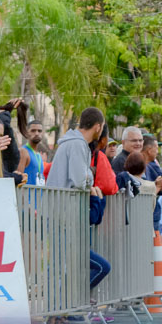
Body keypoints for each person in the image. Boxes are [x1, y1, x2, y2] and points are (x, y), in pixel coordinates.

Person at [45, 107, 110, 290]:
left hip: (61, 212)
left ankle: (61, 309)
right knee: (61, 264)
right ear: (97, 126)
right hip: (63, 214)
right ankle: (59, 308)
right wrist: (90, 178)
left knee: (61, 263)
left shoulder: (72, 143)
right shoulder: (77, 144)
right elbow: (80, 180)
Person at [89, 123, 119, 197]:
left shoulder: (80, 150)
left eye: (114, 145)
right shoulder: (100, 156)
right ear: (103, 139)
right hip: (93, 199)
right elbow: (108, 186)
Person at [17, 118, 46, 186]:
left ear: (43, 133)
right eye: (33, 131)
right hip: (27, 195)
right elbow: (18, 179)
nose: (36, 133)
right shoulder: (23, 152)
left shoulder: (38, 155)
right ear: (27, 133)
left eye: (39, 131)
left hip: (39, 195)